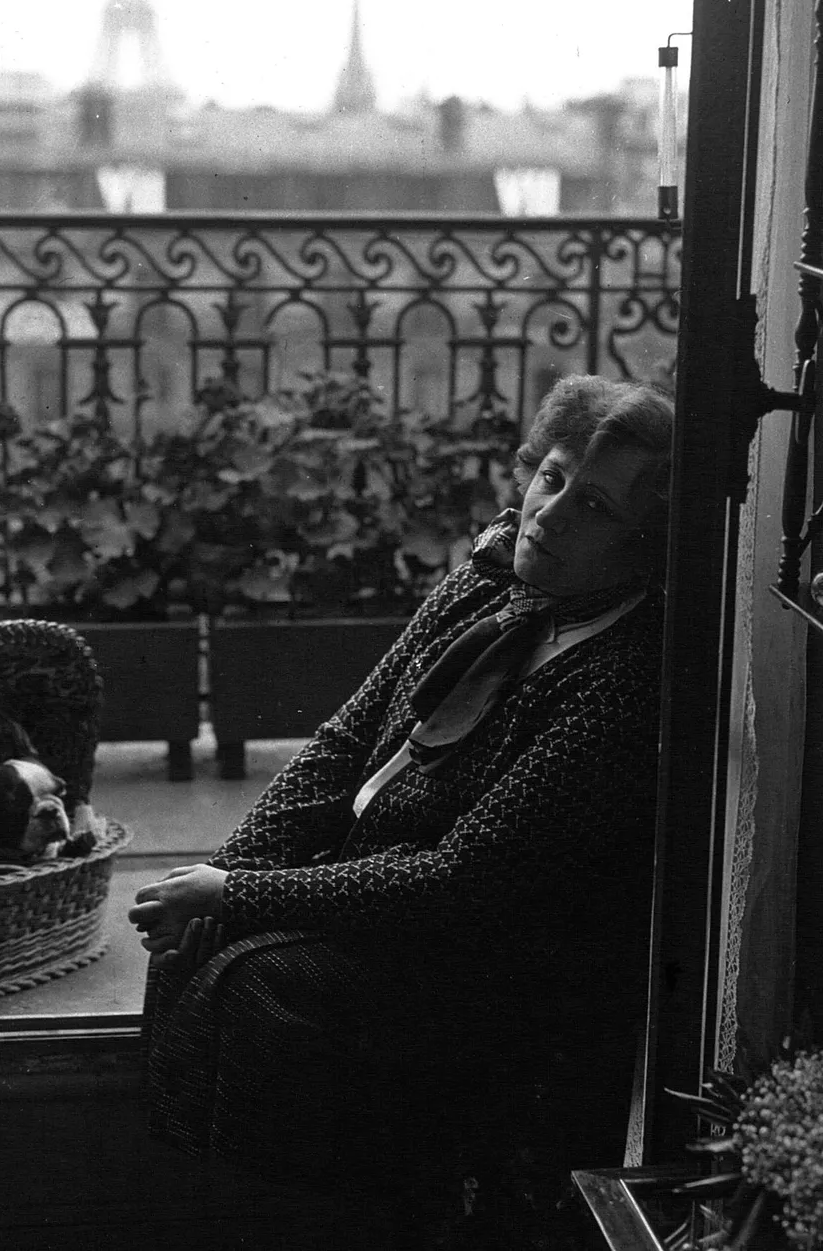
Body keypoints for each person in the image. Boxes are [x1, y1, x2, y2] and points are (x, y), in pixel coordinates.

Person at [129, 374, 674, 1250]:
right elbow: (344, 741)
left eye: (599, 507)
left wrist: (238, 897)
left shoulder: (620, 677)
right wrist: (237, 868)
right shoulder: (494, 579)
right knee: (187, 949)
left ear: (644, 544)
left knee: (260, 989)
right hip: (377, 889)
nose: (554, 512)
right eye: (555, 476)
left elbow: (465, 883)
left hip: (472, 959)